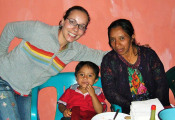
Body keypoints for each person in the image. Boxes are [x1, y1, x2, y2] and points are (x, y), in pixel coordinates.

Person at [0, 6, 107, 120]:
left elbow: (102, 57)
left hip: (25, 92)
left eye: (81, 26)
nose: (76, 29)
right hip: (3, 79)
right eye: (72, 22)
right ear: (62, 21)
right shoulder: (38, 30)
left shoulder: (75, 50)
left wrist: (125, 52)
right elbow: (10, 28)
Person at [101, 19, 170, 114]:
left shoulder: (149, 55)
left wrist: (156, 106)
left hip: (155, 107)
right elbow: (110, 92)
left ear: (132, 37)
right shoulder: (109, 61)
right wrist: (134, 107)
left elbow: (161, 83)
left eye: (122, 38)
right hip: (129, 109)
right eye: (112, 39)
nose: (117, 44)